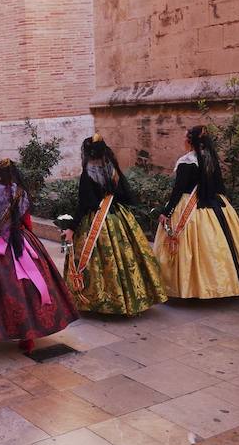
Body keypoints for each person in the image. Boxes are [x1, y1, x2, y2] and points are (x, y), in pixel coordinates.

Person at [0, 158, 77, 352]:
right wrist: (31, 241)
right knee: (30, 286)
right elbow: (27, 222)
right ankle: (29, 334)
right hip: (23, 241)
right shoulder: (20, 192)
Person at [154, 125, 239, 298]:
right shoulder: (210, 158)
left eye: (185, 138)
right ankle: (220, 284)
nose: (183, 141)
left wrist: (166, 212)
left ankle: (189, 287)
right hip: (215, 206)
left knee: (187, 247)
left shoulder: (187, 161)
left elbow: (178, 190)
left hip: (189, 206)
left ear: (190, 141)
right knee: (218, 246)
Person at [63, 134, 168, 316]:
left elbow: (85, 204)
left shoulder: (87, 175)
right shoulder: (112, 170)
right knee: (126, 258)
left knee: (103, 263)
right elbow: (124, 196)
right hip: (119, 218)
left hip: (97, 221)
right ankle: (131, 297)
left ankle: (105, 301)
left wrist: (71, 227)